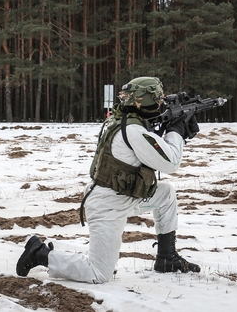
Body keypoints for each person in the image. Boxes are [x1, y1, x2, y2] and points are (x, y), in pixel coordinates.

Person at [15, 76, 200, 283]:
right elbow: (171, 162)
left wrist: (174, 130)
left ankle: (167, 258)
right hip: (107, 205)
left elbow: (152, 150)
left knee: (165, 194)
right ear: (145, 100)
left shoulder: (123, 120)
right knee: (98, 273)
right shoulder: (133, 130)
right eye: (157, 98)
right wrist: (176, 130)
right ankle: (40, 254)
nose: (161, 103)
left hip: (124, 196)